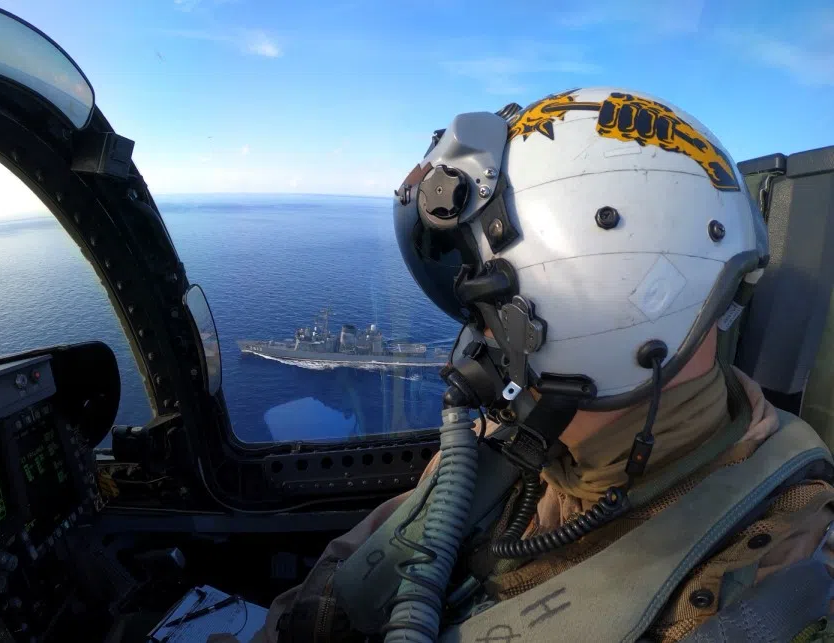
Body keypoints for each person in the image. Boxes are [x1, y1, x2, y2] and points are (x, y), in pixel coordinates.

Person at [252, 88, 834, 643]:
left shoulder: (781, 587)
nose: (476, 342)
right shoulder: (507, 451)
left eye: (487, 318)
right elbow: (335, 584)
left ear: (591, 326)